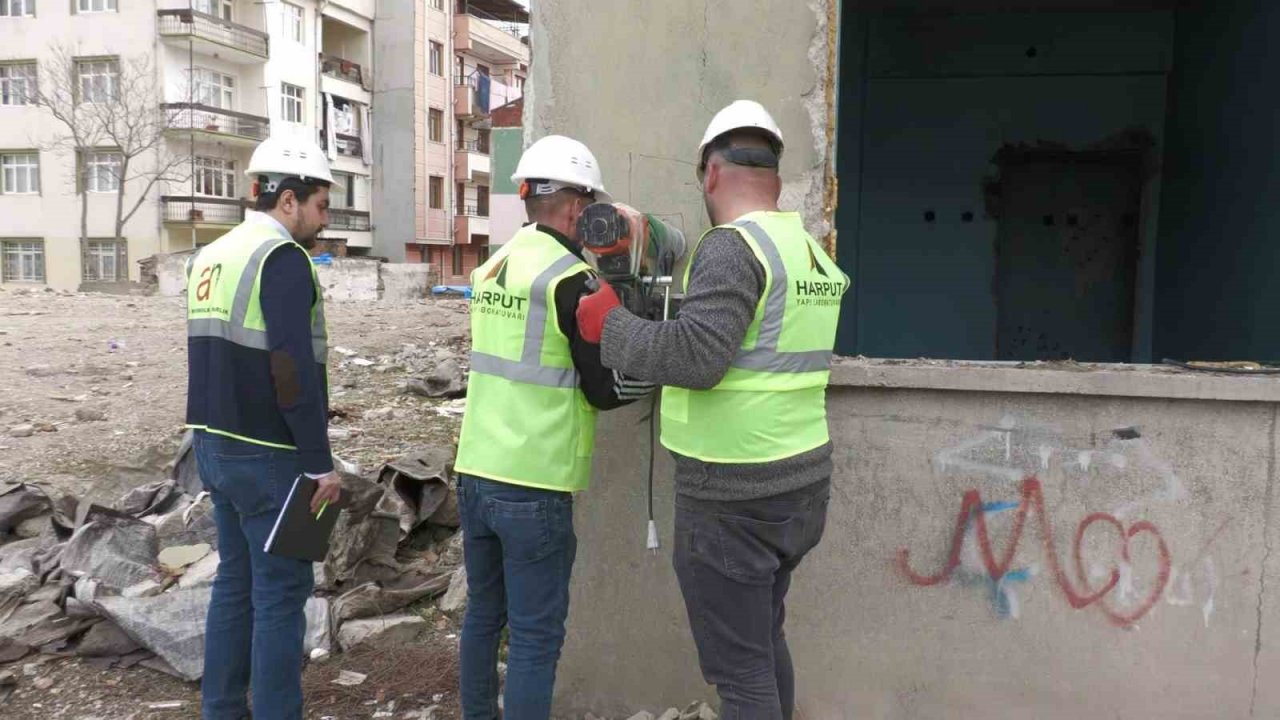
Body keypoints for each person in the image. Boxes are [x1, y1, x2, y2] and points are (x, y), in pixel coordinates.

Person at [575, 101, 849, 720]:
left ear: (711, 173)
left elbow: (700, 357)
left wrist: (610, 325)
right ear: (774, 174)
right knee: (762, 642)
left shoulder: (731, 247)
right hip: (799, 486)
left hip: (733, 497)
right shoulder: (805, 252)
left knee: (740, 674)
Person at [453, 134, 652, 720]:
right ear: (575, 207)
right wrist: (654, 367)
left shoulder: (491, 269)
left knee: (484, 618)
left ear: (526, 195)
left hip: (476, 474)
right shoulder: (574, 281)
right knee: (537, 637)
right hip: (534, 482)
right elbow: (602, 388)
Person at [185, 135, 342, 720]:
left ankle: (222, 709)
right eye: (321, 206)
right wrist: (319, 463)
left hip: (214, 444)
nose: (322, 222)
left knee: (235, 586)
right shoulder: (281, 258)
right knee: (280, 597)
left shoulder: (216, 253)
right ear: (288, 200)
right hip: (270, 455)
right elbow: (291, 366)